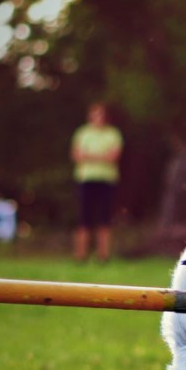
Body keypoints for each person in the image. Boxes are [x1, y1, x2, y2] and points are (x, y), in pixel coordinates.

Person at [70, 102, 123, 262]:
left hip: (106, 180)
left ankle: (103, 256)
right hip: (86, 180)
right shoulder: (83, 133)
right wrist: (101, 157)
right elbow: (77, 156)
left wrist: (89, 156)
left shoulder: (113, 134)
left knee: (105, 219)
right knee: (84, 218)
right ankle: (81, 255)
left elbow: (113, 157)